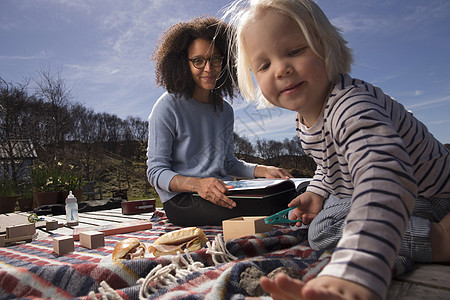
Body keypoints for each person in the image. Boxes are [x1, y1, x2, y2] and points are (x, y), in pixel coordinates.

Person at [223, 0, 450, 299]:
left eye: (295, 51)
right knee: (327, 212)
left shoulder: (351, 106)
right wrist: (317, 192)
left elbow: (383, 177)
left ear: (327, 47)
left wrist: (356, 267)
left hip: (429, 196)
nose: (281, 69)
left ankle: (441, 239)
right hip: (400, 192)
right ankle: (402, 244)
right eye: (264, 65)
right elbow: (329, 164)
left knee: (324, 227)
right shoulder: (306, 118)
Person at [146, 16, 292, 227]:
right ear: (182, 64)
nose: (209, 68)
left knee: (285, 192)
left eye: (215, 59)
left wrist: (262, 170)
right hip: (182, 201)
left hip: (223, 190)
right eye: (198, 61)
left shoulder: (225, 111)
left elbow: (227, 163)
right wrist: (197, 185)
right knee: (269, 204)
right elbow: (156, 172)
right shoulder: (167, 106)